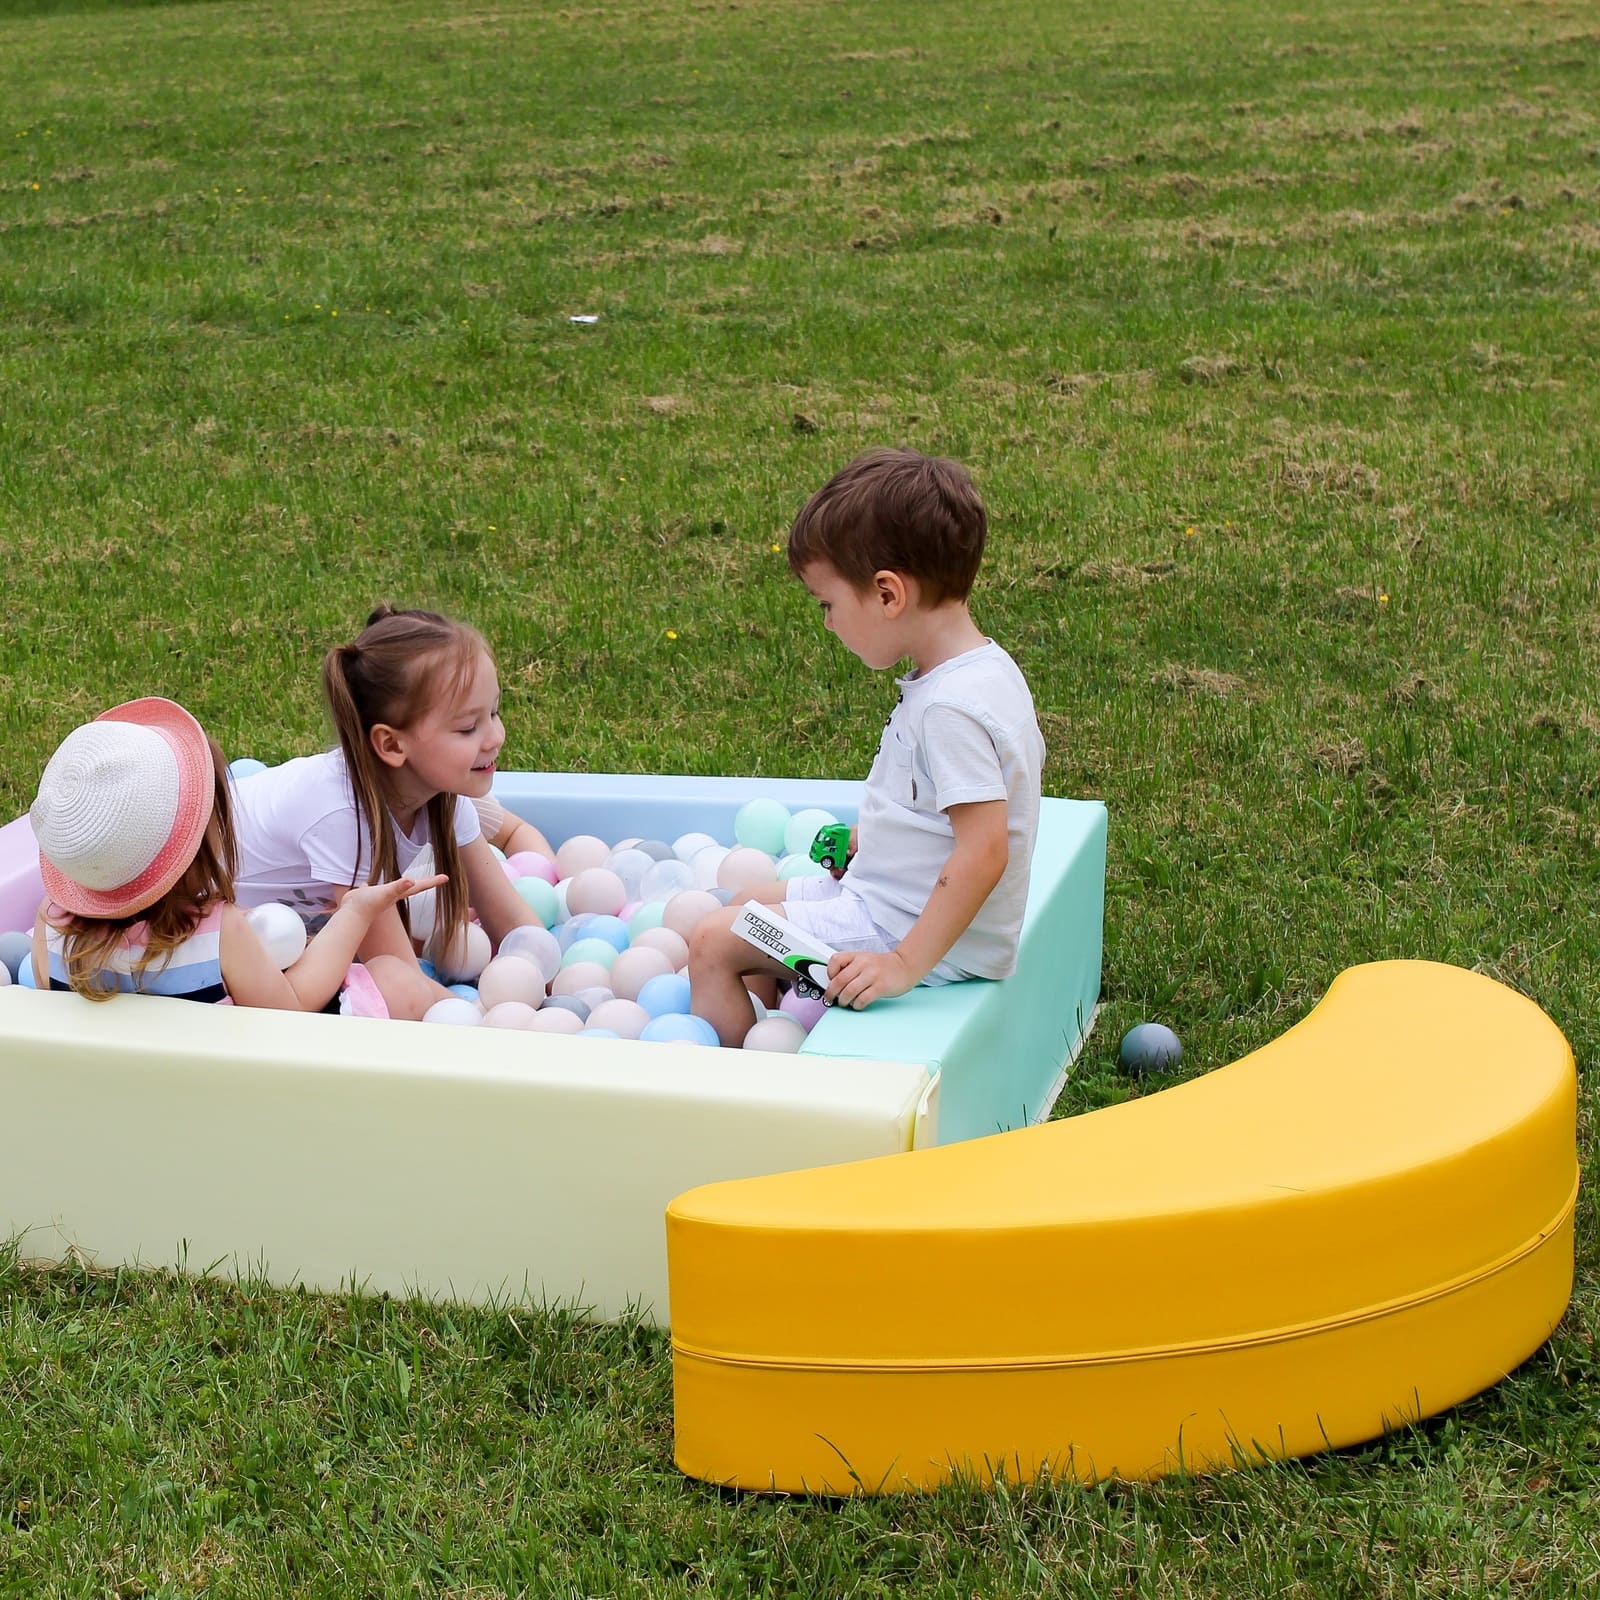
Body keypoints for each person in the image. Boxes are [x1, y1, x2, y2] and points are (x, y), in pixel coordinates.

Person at [689, 449, 1045, 1047]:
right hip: (890, 900)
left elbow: (984, 852)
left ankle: (740, 1089)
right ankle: (788, 1022)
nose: (827, 623)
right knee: (749, 901)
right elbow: (949, 810)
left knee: (710, 942)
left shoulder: (950, 709)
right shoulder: (979, 669)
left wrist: (903, 964)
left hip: (902, 931)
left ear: (887, 594)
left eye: (828, 604)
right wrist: (872, 840)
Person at [29, 697, 442, 1015]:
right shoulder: (219, 932)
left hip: (136, 1094)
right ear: (200, 843)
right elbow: (290, 1008)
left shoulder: (51, 925)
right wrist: (355, 913)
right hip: (230, 1090)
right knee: (396, 983)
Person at [232, 606, 546, 1004]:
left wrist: (556, 987)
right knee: (388, 984)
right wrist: (499, 1026)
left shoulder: (444, 795)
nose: (495, 737)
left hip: (287, 932)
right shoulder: (343, 816)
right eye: (468, 727)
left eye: (495, 712)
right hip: (203, 922)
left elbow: (511, 919)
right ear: (392, 745)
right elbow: (401, 976)